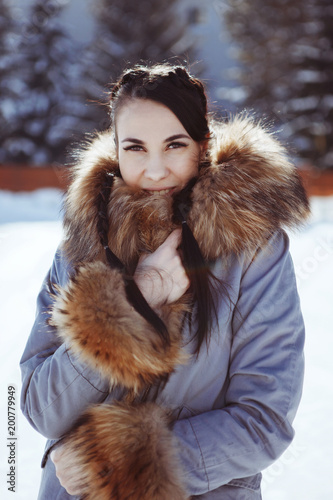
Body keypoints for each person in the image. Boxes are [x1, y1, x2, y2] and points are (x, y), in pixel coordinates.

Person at [20, 62, 310, 500]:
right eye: (135, 148)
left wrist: (116, 466)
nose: (155, 171)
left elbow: (262, 422)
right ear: (116, 150)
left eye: (174, 145)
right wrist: (135, 299)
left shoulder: (253, 250)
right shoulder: (84, 242)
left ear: (203, 144)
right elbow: (43, 408)